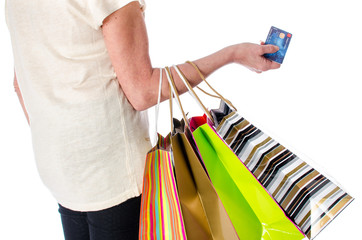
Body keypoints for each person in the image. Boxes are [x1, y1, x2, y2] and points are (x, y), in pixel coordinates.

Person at [5, 0, 280, 239]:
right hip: (113, 175)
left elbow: (21, 85)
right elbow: (143, 91)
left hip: (59, 170)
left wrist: (64, 145)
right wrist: (232, 54)